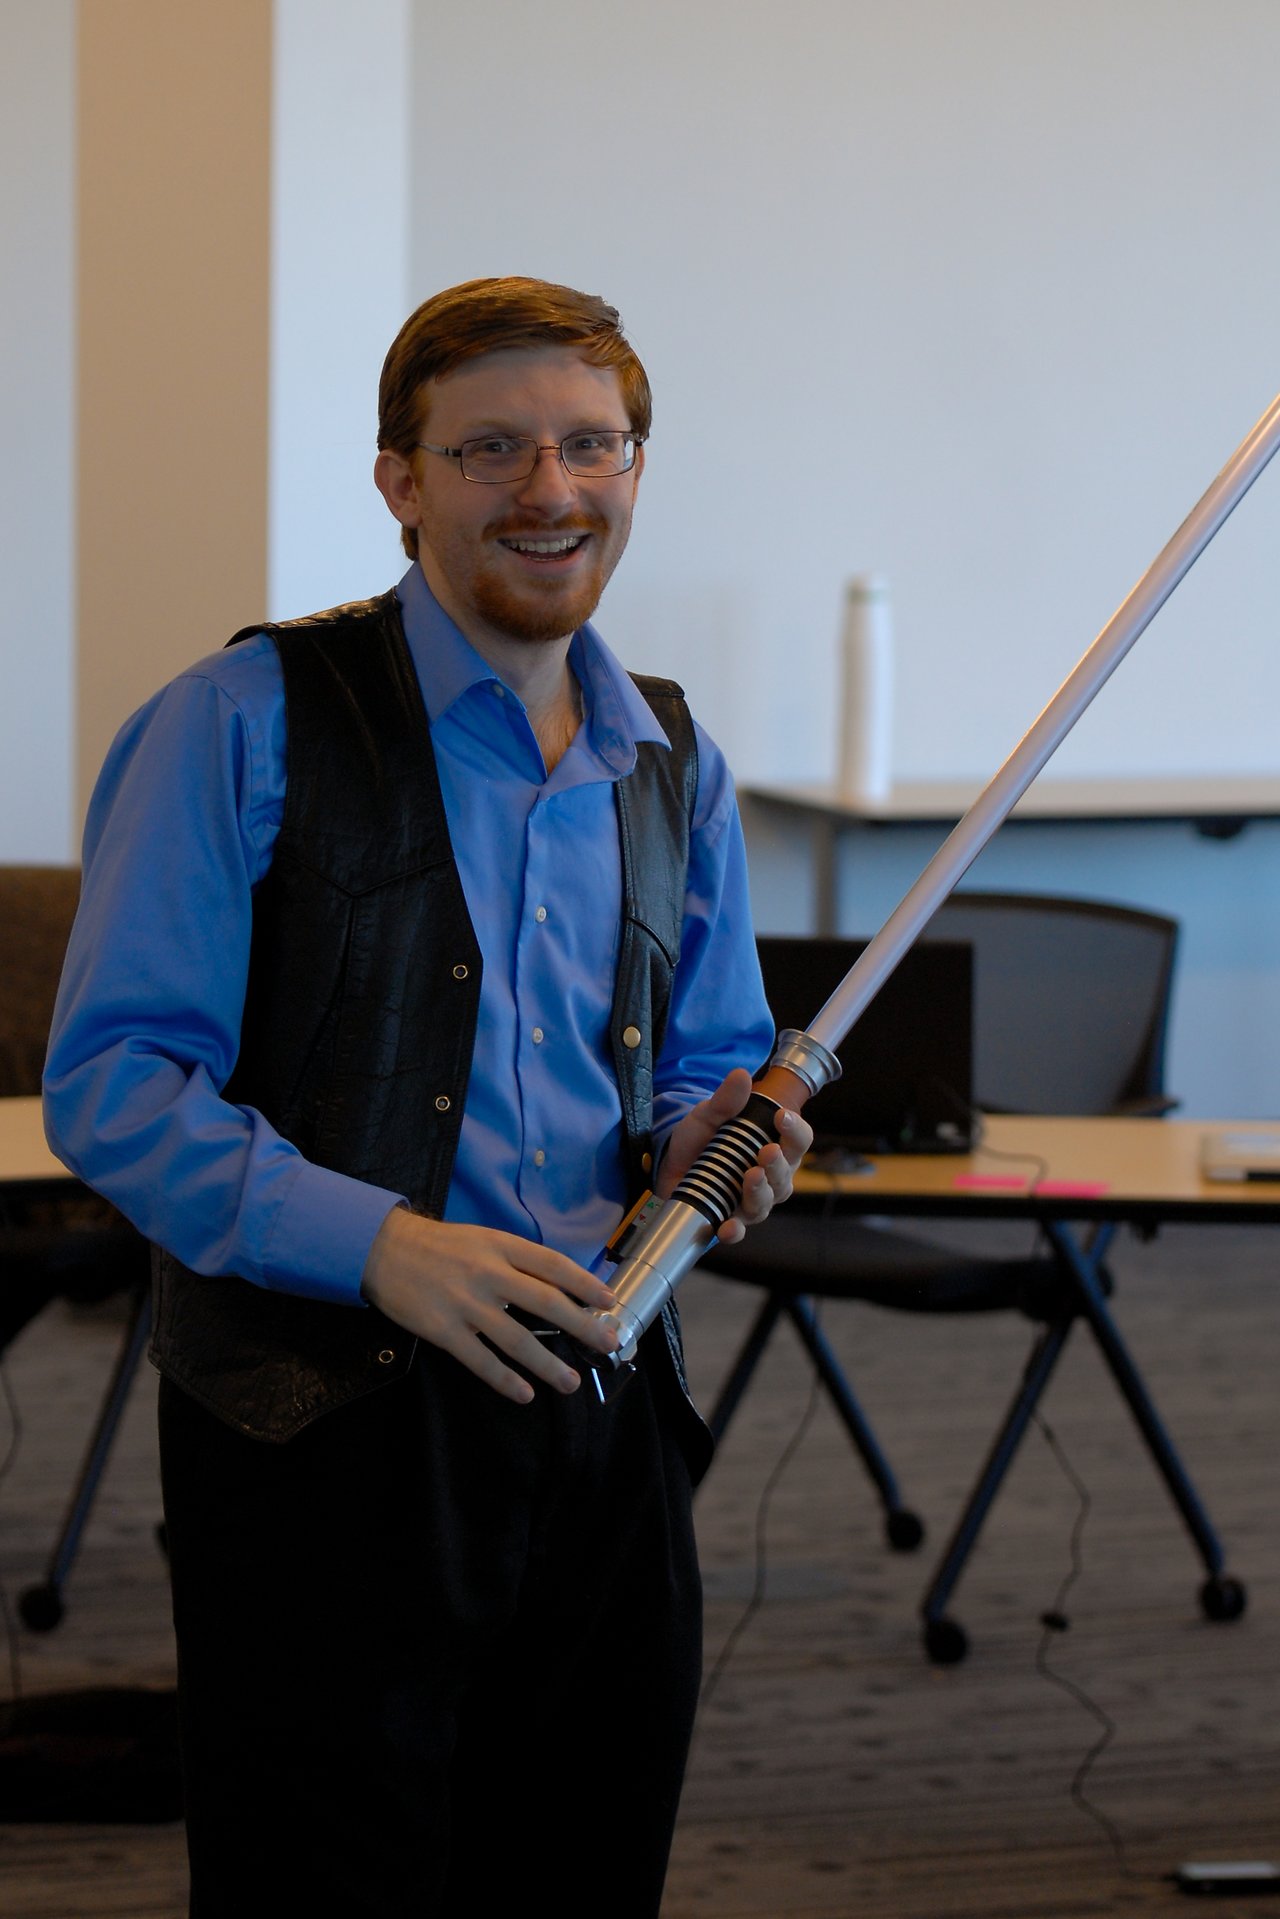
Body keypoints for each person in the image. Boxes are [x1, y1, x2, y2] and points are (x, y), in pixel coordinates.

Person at [43, 276, 811, 1916]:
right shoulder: (236, 725)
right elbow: (114, 1082)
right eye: (491, 451)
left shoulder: (675, 759)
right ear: (400, 481)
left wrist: (714, 1146)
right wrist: (381, 1243)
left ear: (635, 464)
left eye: (590, 445)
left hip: (603, 1416)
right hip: (324, 1427)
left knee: (583, 1873)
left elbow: (697, 1059)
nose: (551, 491)